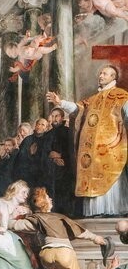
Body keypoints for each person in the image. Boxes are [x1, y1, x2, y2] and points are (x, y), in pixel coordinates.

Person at [10, 187, 112, 269]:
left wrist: (6, 217)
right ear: (43, 202)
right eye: (48, 197)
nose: (51, 199)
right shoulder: (59, 218)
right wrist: (96, 238)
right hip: (64, 253)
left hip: (46, 255)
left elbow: (14, 225)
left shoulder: (35, 219)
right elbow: (81, 232)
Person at [48, 65, 128, 216]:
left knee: (111, 177)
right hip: (91, 150)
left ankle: (113, 211)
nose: (101, 76)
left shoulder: (121, 95)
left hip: (111, 148)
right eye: (101, 73)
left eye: (105, 74)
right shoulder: (93, 98)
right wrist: (60, 102)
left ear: (113, 77)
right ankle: (96, 212)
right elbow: (78, 109)